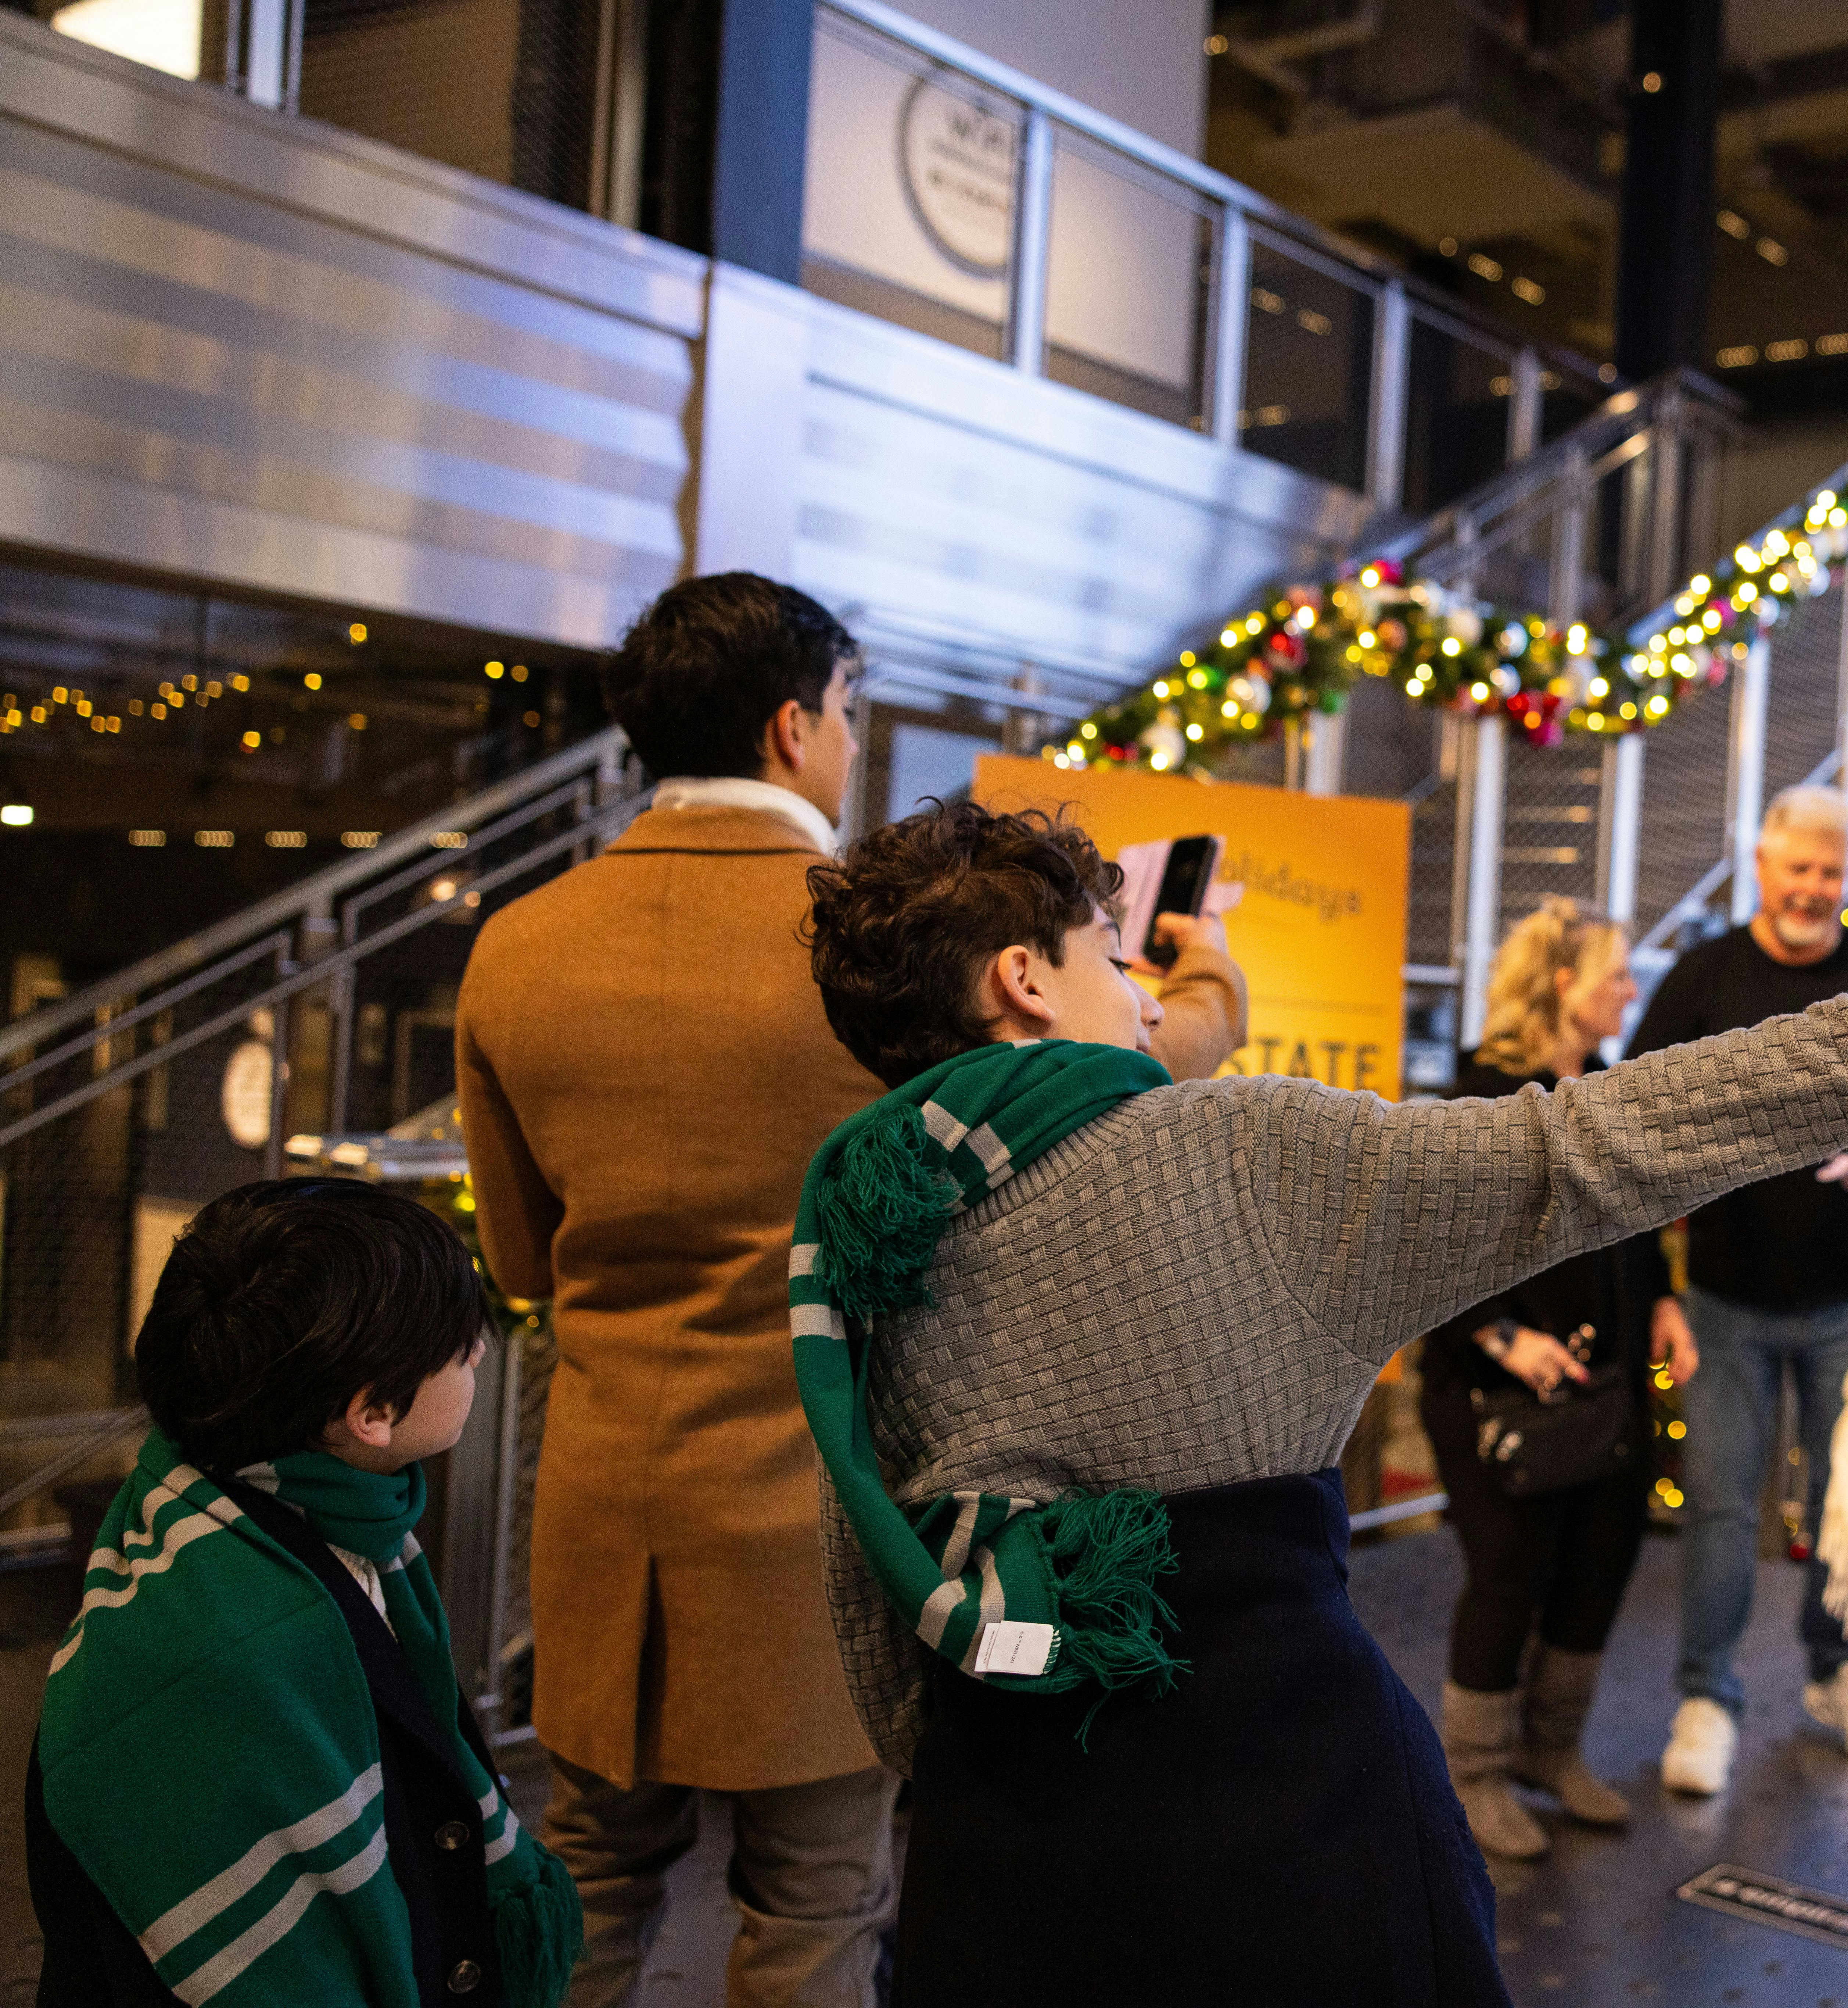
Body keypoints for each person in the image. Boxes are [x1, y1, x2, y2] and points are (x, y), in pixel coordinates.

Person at [787, 797, 1848, 2005]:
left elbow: (873, 1642)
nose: (1138, 999)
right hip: (1291, 1822)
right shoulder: (1228, 1153)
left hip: (994, 1858)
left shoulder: (863, 1245)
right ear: (1024, 979)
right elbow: (1602, 1143)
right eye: (1110, 962)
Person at [456, 573, 1253, 2006]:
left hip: (601, 1527)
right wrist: (1208, 998)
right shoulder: (875, 946)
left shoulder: (515, 947)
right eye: (844, 707)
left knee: (583, 1887)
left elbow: (518, 1267)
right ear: (790, 724)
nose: (846, 734)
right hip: (819, 1531)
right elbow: (1082, 1083)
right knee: (817, 1914)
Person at [29, 1179, 581, 2008]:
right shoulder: (248, 1644)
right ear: (371, 1413)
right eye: (463, 1348)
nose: (479, 1358)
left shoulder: (274, 1511)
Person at [1623, 784, 1848, 1794]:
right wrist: (1660, 1281)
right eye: (1797, 867)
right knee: (1720, 1508)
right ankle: (1706, 1697)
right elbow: (1633, 1112)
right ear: (1761, 866)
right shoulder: (1703, 975)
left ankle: (1840, 1673)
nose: (1813, 887)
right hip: (1724, 1295)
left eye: (1830, 870)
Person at [1418, 899, 1689, 1862]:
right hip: (1495, 1390)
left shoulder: (1609, 1088)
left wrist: (1662, 1302)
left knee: (1599, 1570)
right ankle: (1476, 1774)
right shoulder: (1480, 1094)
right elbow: (1430, 1248)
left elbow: (1638, 1225)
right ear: (1561, 983)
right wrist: (1502, 1339)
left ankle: (1553, 1752)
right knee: (1509, 1579)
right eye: (1616, 972)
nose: (1629, 989)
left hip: (1609, 1385)